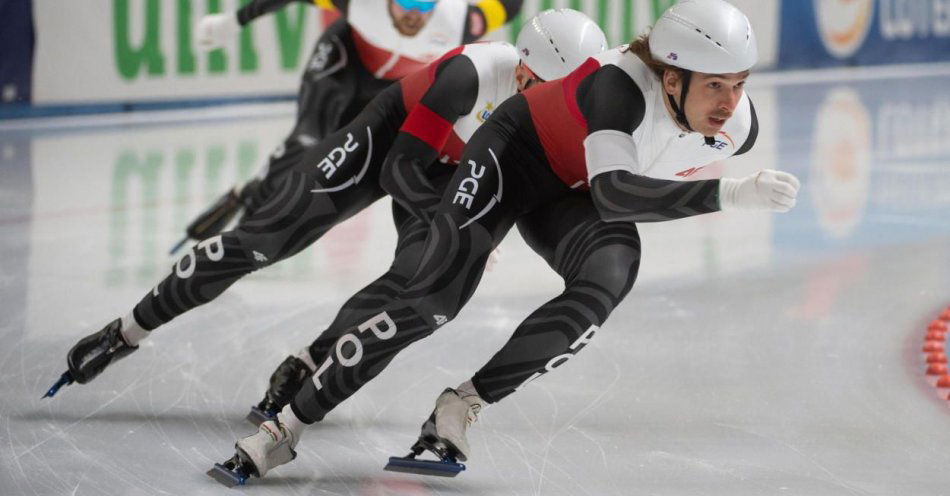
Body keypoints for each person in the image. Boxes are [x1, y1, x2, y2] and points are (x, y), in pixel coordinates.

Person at [212, 0, 800, 484]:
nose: (730, 104)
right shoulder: (618, 88)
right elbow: (619, 194)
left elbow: (610, 196)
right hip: (513, 154)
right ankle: (284, 429)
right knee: (432, 302)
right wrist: (730, 195)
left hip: (572, 187)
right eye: (717, 85)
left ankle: (460, 406)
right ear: (670, 78)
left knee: (610, 277)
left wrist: (726, 179)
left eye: (741, 85)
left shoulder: (737, 129)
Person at [45, 8, 606, 419]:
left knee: (415, 280)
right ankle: (126, 331)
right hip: (390, 145)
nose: (561, 111)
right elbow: (398, 172)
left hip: (447, 172)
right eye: (555, 94)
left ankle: (307, 362)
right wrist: (455, 221)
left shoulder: (563, 111)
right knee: (265, 241)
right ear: (527, 73)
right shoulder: (470, 75)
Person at [175, 0, 523, 248]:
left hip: (391, 89)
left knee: (339, 159)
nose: (414, 14)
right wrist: (232, 22)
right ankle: (244, 221)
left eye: (425, 6)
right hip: (343, 64)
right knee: (307, 141)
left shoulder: (463, 18)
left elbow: (511, 4)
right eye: (405, 2)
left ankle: (250, 195)